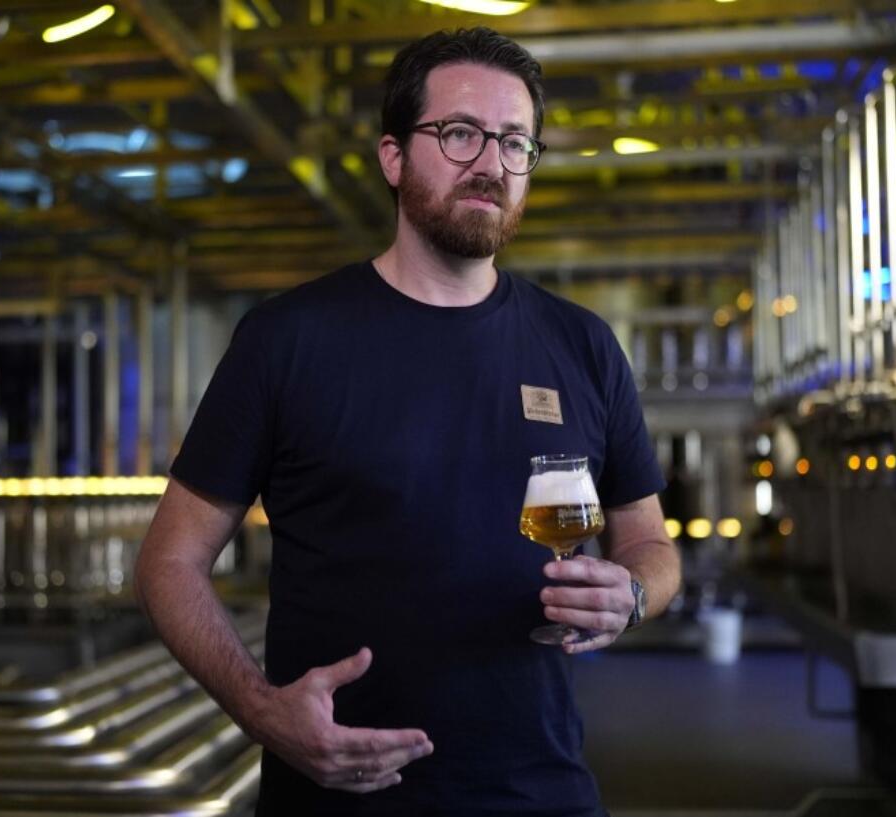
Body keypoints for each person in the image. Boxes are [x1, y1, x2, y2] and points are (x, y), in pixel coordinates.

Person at [135, 26, 681, 817]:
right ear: (393, 157)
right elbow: (167, 562)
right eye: (460, 134)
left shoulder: (583, 345)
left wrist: (632, 594)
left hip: (541, 792)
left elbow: (652, 544)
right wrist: (260, 708)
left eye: (515, 143)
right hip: (339, 797)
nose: (490, 164)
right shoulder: (289, 339)